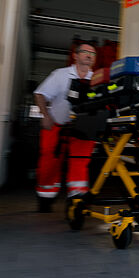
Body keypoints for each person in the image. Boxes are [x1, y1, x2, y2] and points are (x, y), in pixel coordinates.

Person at [34, 42, 97, 212]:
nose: (89, 55)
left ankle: (77, 199)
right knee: (49, 161)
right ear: (75, 56)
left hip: (82, 129)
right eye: (85, 52)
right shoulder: (60, 75)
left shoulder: (97, 78)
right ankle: (45, 196)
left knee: (80, 161)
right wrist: (45, 115)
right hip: (56, 125)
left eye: (92, 53)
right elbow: (40, 94)